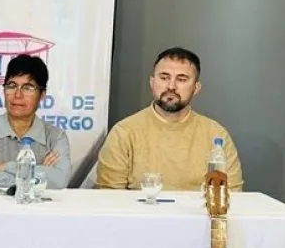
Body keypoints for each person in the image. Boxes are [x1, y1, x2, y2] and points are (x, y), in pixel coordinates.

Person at [96, 47, 244, 191]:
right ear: (152, 82)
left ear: (196, 88)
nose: (171, 86)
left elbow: (232, 195)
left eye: (181, 79)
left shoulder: (215, 134)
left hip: (201, 215)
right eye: (164, 77)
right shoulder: (124, 133)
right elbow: (110, 199)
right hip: (142, 215)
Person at [0, 54, 71, 190]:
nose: (18, 95)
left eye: (27, 87)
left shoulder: (55, 137)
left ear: (42, 95)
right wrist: (39, 174)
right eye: (12, 86)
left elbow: (60, 180)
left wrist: (7, 167)